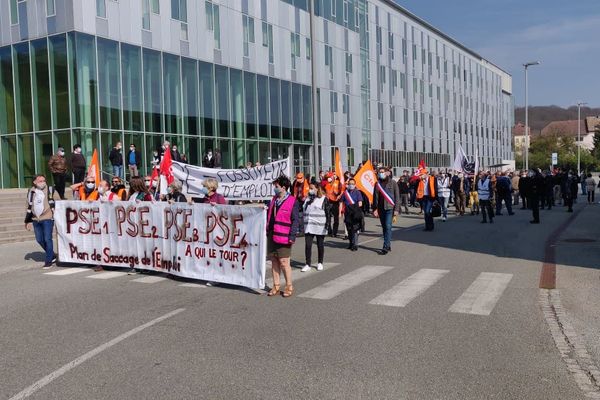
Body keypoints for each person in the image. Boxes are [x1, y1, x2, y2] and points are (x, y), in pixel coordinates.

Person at [266, 176, 299, 298]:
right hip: (272, 234)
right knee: (274, 260)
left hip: (284, 235)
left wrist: (292, 236)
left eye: (276, 186)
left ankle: (289, 286)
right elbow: (269, 214)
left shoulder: (292, 201)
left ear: (283, 188)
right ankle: (276, 285)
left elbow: (295, 220)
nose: (274, 188)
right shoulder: (273, 200)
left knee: (284, 262)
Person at [25, 175, 56, 269]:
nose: (42, 182)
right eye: (40, 181)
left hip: (47, 218)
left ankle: (48, 261)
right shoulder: (31, 191)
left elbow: (59, 201)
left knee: (47, 239)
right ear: (35, 182)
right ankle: (52, 255)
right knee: (39, 239)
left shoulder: (50, 190)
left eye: (44, 180)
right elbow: (28, 206)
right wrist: (27, 221)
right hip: (35, 219)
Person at [301, 184, 331, 272]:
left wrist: (328, 225)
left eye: (312, 188)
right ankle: (307, 264)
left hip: (319, 226)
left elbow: (328, 212)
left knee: (320, 244)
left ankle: (320, 262)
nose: (310, 190)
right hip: (309, 226)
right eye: (309, 188)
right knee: (308, 245)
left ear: (317, 189)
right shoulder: (307, 199)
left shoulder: (323, 199)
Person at [373, 166, 400, 254]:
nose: (381, 173)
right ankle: (388, 244)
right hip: (381, 209)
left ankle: (385, 246)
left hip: (390, 208)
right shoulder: (377, 184)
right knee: (384, 227)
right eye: (380, 172)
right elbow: (375, 198)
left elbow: (397, 197)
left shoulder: (393, 183)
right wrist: (375, 209)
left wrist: (396, 209)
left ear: (386, 173)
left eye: (383, 172)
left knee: (388, 226)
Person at [342, 178, 364, 251]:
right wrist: (340, 212)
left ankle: (355, 245)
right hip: (347, 213)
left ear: (355, 185)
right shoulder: (345, 193)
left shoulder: (357, 192)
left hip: (355, 213)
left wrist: (354, 207)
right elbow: (341, 202)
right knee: (349, 229)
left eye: (352, 184)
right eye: (349, 184)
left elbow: (360, 203)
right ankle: (351, 243)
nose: (351, 185)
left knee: (355, 229)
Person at [324, 172, 342, 237]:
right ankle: (329, 231)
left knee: (336, 219)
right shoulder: (327, 184)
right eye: (328, 178)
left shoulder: (338, 183)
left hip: (336, 202)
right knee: (328, 217)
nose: (328, 178)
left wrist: (337, 194)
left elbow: (341, 191)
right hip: (328, 202)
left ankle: (335, 232)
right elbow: (325, 192)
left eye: (330, 177)